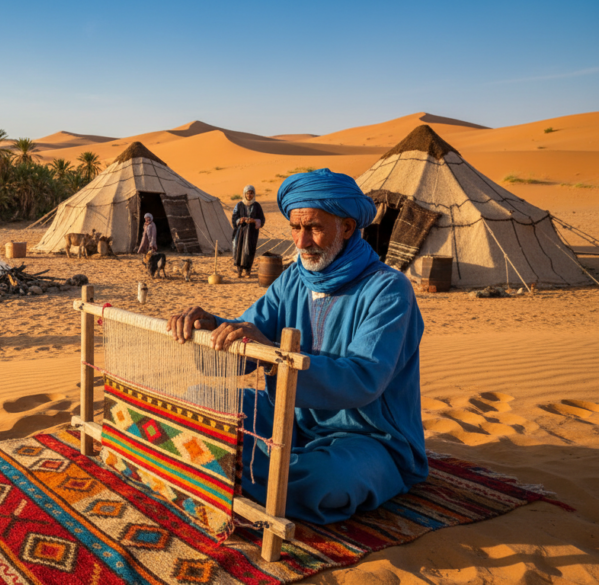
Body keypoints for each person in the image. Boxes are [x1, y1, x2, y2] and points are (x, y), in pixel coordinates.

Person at [167, 168, 427, 524]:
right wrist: (212, 326)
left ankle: (233, 469)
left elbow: (365, 377)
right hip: (291, 415)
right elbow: (251, 331)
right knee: (197, 401)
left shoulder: (388, 289)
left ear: (347, 227)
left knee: (327, 481)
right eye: (295, 228)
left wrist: (276, 358)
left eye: (314, 228)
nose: (301, 242)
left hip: (367, 433)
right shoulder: (293, 279)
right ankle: (249, 467)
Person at [231, 185, 266, 278]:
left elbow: (262, 219)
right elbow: (234, 217)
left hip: (252, 233)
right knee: (239, 250)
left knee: (249, 250)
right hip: (240, 232)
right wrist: (240, 220)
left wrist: (253, 221)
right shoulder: (239, 205)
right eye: (248, 193)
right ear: (244, 194)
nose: (249, 195)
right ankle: (239, 271)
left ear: (254, 194)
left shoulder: (257, 206)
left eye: (251, 193)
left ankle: (247, 271)